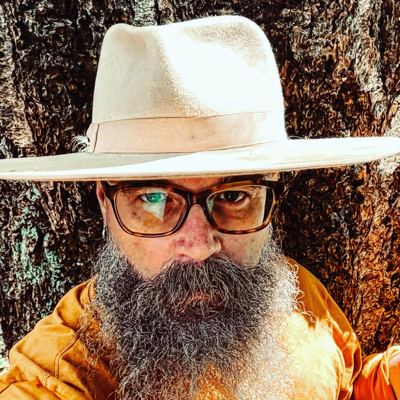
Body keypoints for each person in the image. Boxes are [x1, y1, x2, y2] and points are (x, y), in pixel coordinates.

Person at [0, 15, 399, 400]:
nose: (200, 246)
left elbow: (345, 384)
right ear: (106, 202)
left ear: (269, 198)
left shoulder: (287, 288)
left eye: (232, 196)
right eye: (154, 198)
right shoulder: (59, 376)